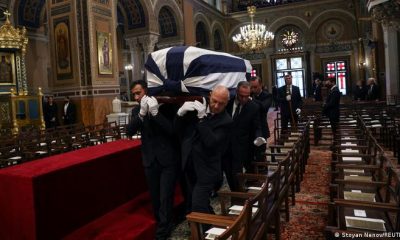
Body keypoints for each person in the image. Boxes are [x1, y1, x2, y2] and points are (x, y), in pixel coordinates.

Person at [126, 80, 179, 240]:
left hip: (167, 159)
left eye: (138, 93)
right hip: (149, 159)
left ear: (147, 91)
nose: (136, 97)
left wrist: (156, 114)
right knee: (155, 197)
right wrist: (142, 114)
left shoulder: (165, 107)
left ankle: (163, 231)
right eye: (133, 94)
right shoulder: (137, 110)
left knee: (165, 196)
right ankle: (163, 222)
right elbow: (129, 131)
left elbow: (172, 131)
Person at [175, 85, 232, 215]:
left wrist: (202, 119)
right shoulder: (196, 109)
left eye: (221, 104)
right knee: (197, 205)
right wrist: (179, 114)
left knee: (198, 205)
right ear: (210, 95)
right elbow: (177, 131)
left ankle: (208, 232)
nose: (216, 106)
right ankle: (211, 232)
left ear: (226, 103)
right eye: (214, 101)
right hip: (189, 166)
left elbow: (211, 142)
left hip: (207, 171)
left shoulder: (226, 121)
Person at [223, 81, 264, 191]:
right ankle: (235, 191)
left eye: (247, 96)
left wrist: (258, 137)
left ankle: (238, 196)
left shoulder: (253, 107)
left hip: (241, 147)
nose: (244, 99)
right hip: (225, 145)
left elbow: (257, 126)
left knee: (236, 173)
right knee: (227, 172)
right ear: (236, 92)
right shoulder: (227, 102)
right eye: (242, 96)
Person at [249, 76, 271, 161]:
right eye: (251, 87)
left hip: (262, 129)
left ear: (261, 85)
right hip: (251, 129)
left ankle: (263, 171)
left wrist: (251, 100)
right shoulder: (250, 95)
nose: (253, 89)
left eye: (255, 87)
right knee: (251, 153)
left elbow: (263, 107)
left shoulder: (267, 95)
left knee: (261, 153)